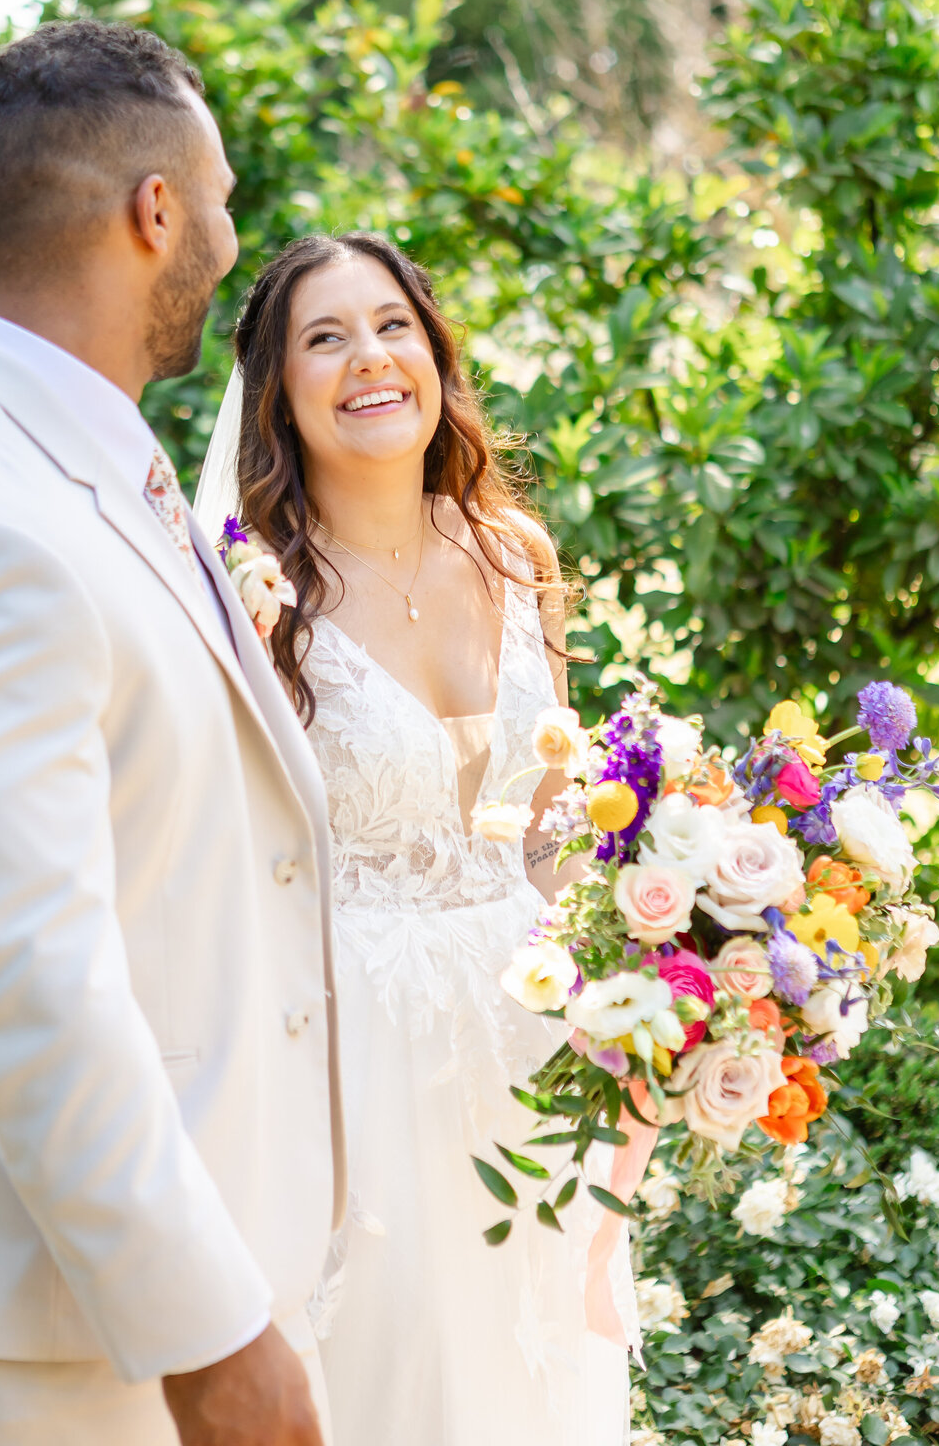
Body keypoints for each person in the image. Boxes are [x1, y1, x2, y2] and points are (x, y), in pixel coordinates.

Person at [0, 21, 344, 1446]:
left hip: (104, 1301)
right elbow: (31, 984)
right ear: (156, 213)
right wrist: (210, 1337)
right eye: (219, 201)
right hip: (39, 1328)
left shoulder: (70, 458)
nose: (229, 238)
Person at [198, 231, 647, 1446]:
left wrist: (649, 981)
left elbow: (552, 836)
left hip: (530, 1046)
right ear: (276, 392)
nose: (370, 358)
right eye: (325, 338)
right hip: (351, 1059)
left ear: (436, 356)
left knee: (531, 1376)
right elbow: (226, 859)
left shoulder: (512, 555)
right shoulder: (252, 596)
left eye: (392, 326)